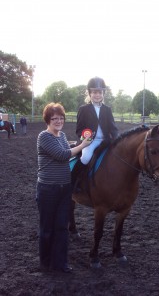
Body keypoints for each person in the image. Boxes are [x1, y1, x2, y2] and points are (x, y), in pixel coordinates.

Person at [36, 102, 92, 273]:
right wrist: (82, 146)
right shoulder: (44, 136)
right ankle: (46, 263)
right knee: (47, 228)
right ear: (48, 120)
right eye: (54, 119)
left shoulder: (60, 136)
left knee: (61, 227)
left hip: (64, 188)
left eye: (61, 118)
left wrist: (80, 141)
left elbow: (67, 148)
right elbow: (62, 155)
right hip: (48, 189)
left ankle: (60, 263)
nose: (58, 121)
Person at [73, 76, 119, 189]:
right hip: (90, 142)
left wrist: (117, 139)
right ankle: (74, 181)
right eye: (94, 92)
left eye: (100, 92)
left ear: (103, 93)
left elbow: (113, 128)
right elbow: (79, 129)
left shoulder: (107, 109)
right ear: (90, 93)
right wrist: (84, 138)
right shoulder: (83, 109)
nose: (97, 95)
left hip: (105, 141)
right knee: (85, 158)